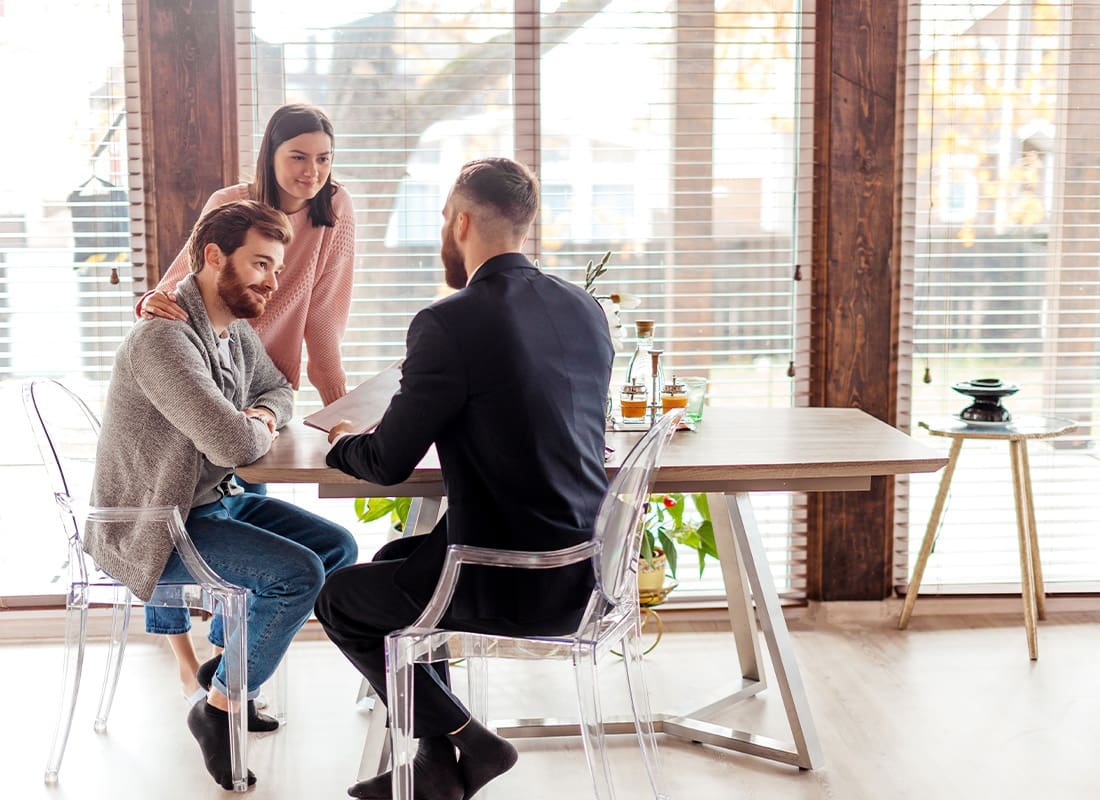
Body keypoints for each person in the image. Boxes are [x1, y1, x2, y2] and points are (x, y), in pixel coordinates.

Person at [314, 157, 614, 800]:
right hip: (581, 570)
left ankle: (473, 740)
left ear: (459, 220)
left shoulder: (449, 322)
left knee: (340, 598)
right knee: (401, 555)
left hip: (506, 577)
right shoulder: (583, 308)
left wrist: (342, 444)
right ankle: (436, 764)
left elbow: (389, 462)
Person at [87, 199, 358, 790]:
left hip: (213, 502)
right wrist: (254, 423)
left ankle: (223, 674)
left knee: (336, 546)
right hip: (158, 522)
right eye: (260, 264)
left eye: (277, 269)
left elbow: (279, 389)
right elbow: (231, 443)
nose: (272, 281)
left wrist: (257, 411)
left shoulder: (231, 331)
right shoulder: (163, 340)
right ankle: (220, 709)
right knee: (296, 574)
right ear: (214, 257)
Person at [137, 103, 357, 699]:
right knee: (183, 487)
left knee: (241, 519)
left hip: (261, 382)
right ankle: (196, 666)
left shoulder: (332, 210)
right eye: (298, 157)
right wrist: (154, 307)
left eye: (323, 158)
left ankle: (231, 678)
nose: (312, 171)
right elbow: (189, 271)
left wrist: (341, 415)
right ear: (271, 155)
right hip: (205, 372)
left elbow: (324, 322)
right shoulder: (231, 204)